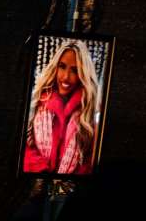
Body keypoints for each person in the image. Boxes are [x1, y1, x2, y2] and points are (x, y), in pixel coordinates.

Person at [22, 39, 100, 175]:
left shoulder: (90, 113)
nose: (65, 77)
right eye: (62, 67)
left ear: (83, 75)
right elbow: (25, 147)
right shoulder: (36, 102)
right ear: (55, 67)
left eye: (74, 71)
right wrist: (40, 171)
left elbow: (89, 163)